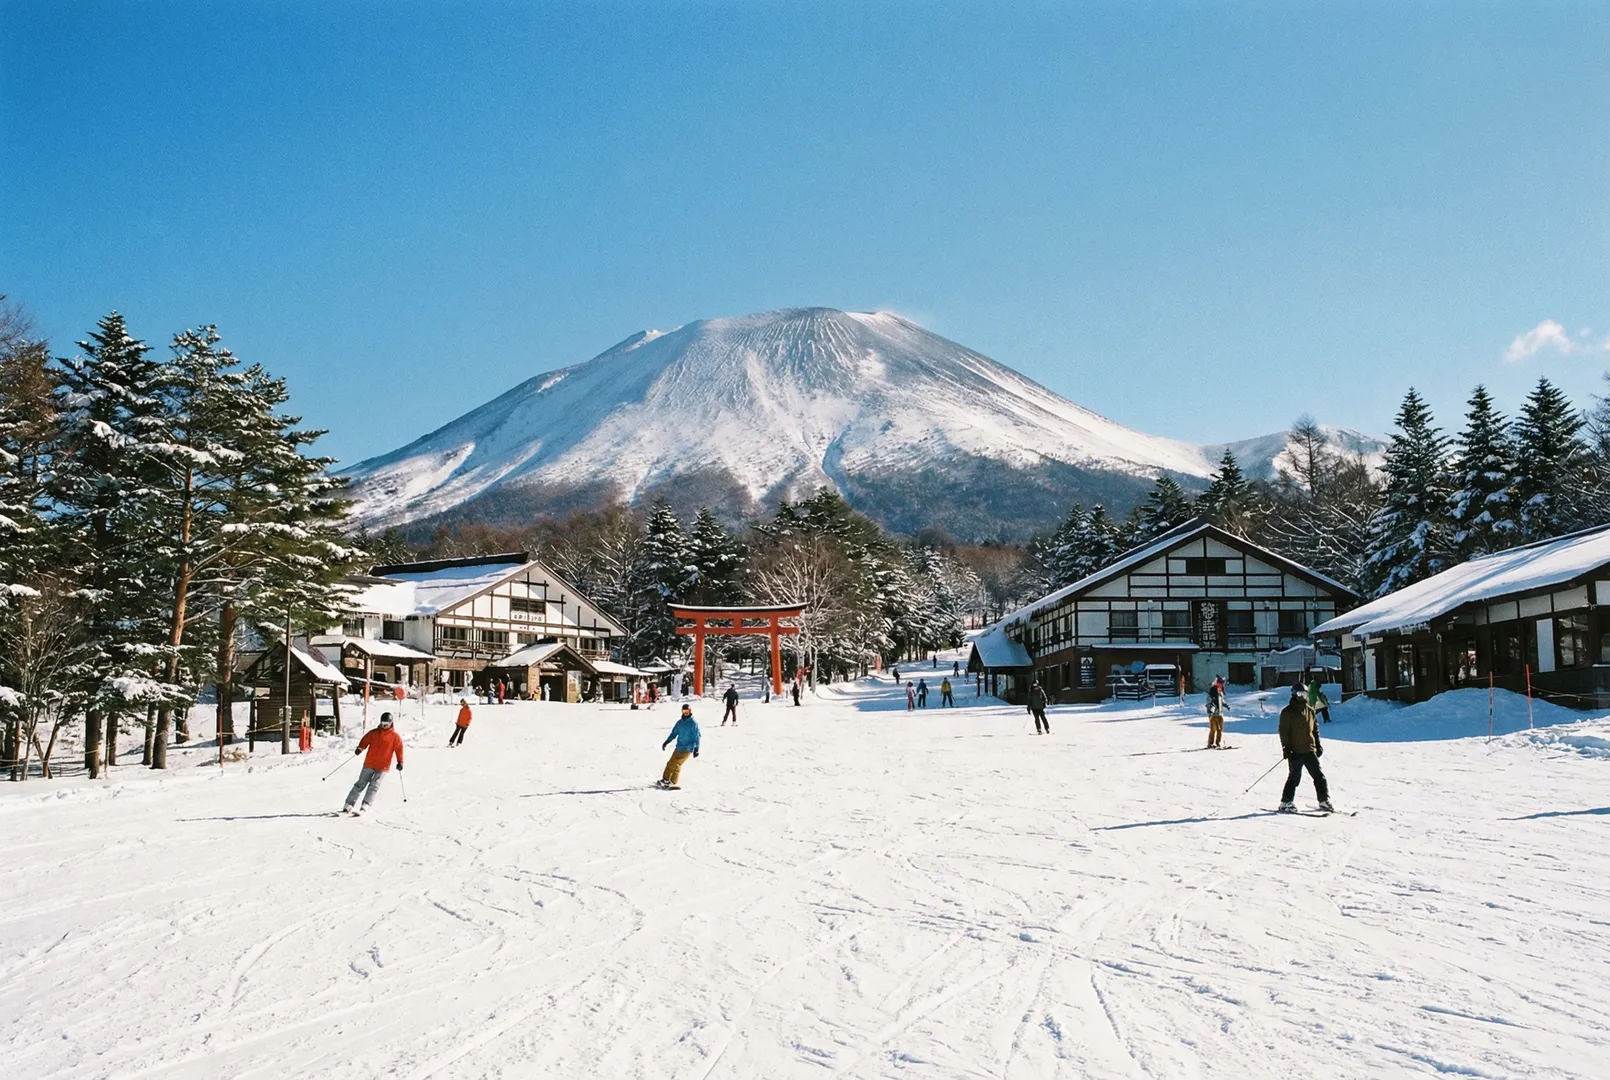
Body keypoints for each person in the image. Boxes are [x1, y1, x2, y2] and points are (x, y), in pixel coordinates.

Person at [1277, 687, 1333, 812]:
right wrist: (1285, 748)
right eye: (1298, 693)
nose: (1301, 696)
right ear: (1293, 694)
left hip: (1309, 749)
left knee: (1319, 776)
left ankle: (1324, 800)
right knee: (1294, 778)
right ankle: (1286, 802)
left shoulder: (1310, 710)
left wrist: (1318, 745)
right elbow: (1283, 731)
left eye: (1303, 693)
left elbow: (1315, 730)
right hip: (1295, 751)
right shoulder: (1287, 712)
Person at [344, 712, 404, 814]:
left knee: (374, 786)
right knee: (360, 783)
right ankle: (349, 804)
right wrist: (360, 748)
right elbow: (365, 740)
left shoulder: (395, 737)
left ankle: (365, 805)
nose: (384, 725)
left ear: (391, 723)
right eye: (383, 723)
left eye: (387, 724)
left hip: (383, 766)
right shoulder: (374, 733)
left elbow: (399, 749)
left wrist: (400, 762)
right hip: (370, 763)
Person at [657, 704, 701, 789]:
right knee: (670, 763)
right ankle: (665, 779)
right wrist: (667, 741)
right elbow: (674, 733)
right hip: (679, 747)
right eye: (684, 711)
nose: (685, 713)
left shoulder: (693, 723)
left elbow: (697, 736)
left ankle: (673, 781)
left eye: (687, 712)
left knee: (677, 764)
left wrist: (697, 748)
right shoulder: (680, 722)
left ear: (690, 711)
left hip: (688, 748)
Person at [1206, 676, 1227, 749]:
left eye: (1221, 684)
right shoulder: (1212, 691)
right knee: (1213, 729)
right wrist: (1211, 710)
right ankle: (1210, 743)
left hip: (1220, 714)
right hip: (1213, 714)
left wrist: (1226, 705)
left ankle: (1218, 742)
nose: (1221, 686)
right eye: (1219, 684)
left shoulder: (1220, 691)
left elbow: (1221, 700)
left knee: (1220, 729)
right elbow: (1209, 702)